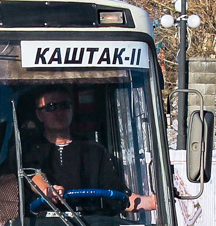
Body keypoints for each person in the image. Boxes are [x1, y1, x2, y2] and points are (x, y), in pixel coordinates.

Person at [21, 86, 156, 215]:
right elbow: (32, 176)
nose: (59, 112)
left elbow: (117, 194)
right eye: (51, 107)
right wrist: (47, 190)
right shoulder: (29, 149)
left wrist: (151, 202)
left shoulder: (94, 150)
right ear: (39, 114)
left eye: (65, 106)